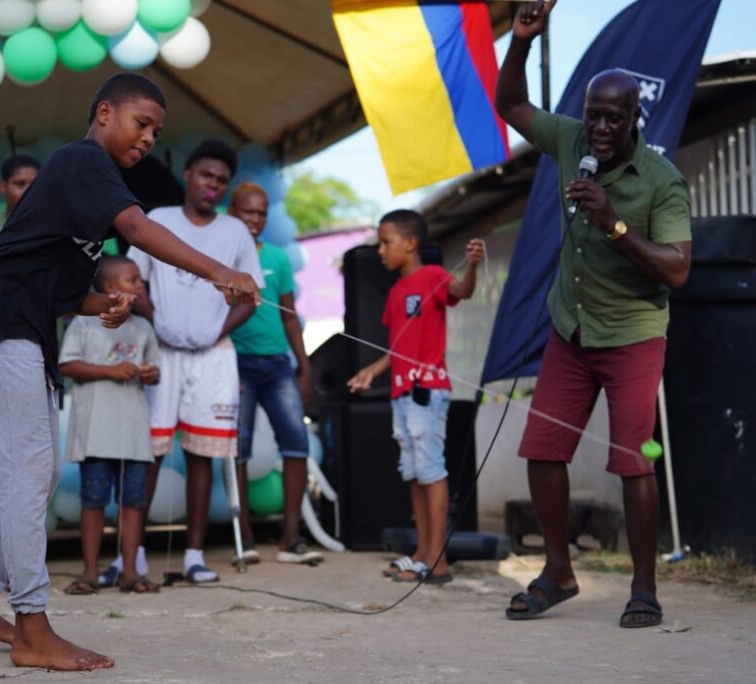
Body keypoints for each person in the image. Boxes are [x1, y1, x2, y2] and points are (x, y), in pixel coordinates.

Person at [0, 73, 258, 672]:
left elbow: (58, 289)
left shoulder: (90, 187)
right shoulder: (83, 160)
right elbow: (139, 230)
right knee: (27, 469)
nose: (147, 139)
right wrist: (219, 272)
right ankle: (31, 625)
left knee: (36, 473)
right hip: (2, 314)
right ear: (104, 113)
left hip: (28, 321)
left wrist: (101, 305)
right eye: (141, 123)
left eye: (156, 133)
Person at [495, 0, 692, 628]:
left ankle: (644, 588)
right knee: (542, 450)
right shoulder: (571, 141)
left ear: (636, 117)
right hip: (571, 329)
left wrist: (614, 223)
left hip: (633, 333)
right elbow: (511, 104)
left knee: (633, 462)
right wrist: (521, 41)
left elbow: (677, 269)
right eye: (594, 115)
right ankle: (558, 571)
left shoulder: (661, 180)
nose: (601, 128)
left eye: (614, 117)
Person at [127, 140, 265, 585]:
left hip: (213, 355)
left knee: (201, 454)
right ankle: (133, 555)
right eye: (206, 175)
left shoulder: (235, 231)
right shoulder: (158, 220)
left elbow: (253, 296)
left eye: (222, 180)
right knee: (149, 452)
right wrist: (157, 319)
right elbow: (132, 282)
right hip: (162, 351)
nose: (213, 185)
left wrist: (219, 329)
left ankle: (194, 555)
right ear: (187, 174)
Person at [347, 210, 483, 585]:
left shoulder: (434, 276)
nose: (380, 250)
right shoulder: (395, 292)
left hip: (427, 392)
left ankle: (438, 561)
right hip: (401, 393)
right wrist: (373, 370)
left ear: (410, 243)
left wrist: (472, 265)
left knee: (431, 471)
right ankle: (422, 552)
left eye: (386, 242)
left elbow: (463, 291)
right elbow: (398, 348)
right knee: (414, 473)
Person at [226, 182, 322, 566]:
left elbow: (289, 316)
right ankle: (245, 539)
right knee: (238, 450)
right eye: (248, 211)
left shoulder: (279, 258)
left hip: (279, 364)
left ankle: (291, 537)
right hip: (236, 364)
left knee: (296, 443)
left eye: (262, 213)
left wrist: (304, 364)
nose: (255, 219)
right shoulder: (219, 257)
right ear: (232, 213)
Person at [59, 257, 162, 595]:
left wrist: (150, 373)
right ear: (110, 288)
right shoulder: (84, 323)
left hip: (133, 433)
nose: (140, 285)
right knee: (93, 501)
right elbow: (67, 365)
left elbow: (155, 370)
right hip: (95, 433)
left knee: (133, 501)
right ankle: (90, 571)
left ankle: (130, 571)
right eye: (133, 280)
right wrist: (110, 371)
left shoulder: (143, 328)